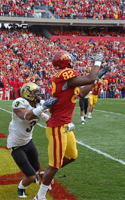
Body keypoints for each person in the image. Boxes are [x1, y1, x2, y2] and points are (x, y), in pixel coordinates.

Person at [34, 50, 108, 200]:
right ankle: (40, 196)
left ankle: (46, 175)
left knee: (72, 156)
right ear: (66, 61)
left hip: (65, 125)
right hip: (56, 126)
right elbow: (89, 77)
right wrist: (97, 63)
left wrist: (95, 79)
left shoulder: (68, 79)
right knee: (54, 164)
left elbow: (81, 93)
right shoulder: (65, 75)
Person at [7, 82, 58, 198]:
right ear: (28, 94)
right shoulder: (20, 103)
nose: (38, 95)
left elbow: (48, 120)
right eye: (35, 93)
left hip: (28, 141)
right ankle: (21, 187)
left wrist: (63, 124)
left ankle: (34, 179)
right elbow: (27, 116)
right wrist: (43, 107)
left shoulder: (37, 105)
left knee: (36, 168)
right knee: (30, 176)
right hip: (16, 145)